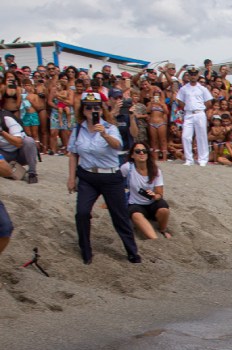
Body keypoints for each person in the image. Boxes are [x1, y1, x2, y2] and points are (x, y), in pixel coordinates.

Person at [67, 92, 141, 264]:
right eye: (89, 107)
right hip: (87, 176)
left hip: (110, 176)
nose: (93, 110)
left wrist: (104, 135)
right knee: (82, 213)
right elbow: (73, 154)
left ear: (101, 109)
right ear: (83, 110)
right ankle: (86, 251)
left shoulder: (109, 127)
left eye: (96, 107)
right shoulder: (78, 129)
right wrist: (71, 178)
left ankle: (132, 251)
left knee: (119, 216)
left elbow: (118, 146)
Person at [123, 142, 172, 239]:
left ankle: (162, 229)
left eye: (144, 151)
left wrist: (154, 195)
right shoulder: (127, 168)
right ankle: (155, 239)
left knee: (164, 209)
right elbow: (116, 182)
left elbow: (160, 193)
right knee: (136, 215)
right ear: (132, 155)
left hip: (152, 203)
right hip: (135, 203)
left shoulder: (155, 170)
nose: (142, 153)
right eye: (138, 151)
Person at [175, 65, 213, 166]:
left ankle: (203, 159)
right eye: (191, 74)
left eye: (195, 74)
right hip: (188, 114)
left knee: (201, 136)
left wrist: (200, 108)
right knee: (186, 136)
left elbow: (209, 102)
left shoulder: (202, 88)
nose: (193, 76)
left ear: (198, 75)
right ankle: (189, 159)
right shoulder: (184, 89)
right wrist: (187, 107)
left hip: (199, 113)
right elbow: (179, 100)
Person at [0, 102, 39, 184]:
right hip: (4, 153)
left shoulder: (7, 119)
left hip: (20, 152)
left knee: (29, 141)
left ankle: (32, 173)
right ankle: (10, 172)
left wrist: (2, 132)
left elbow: (19, 143)